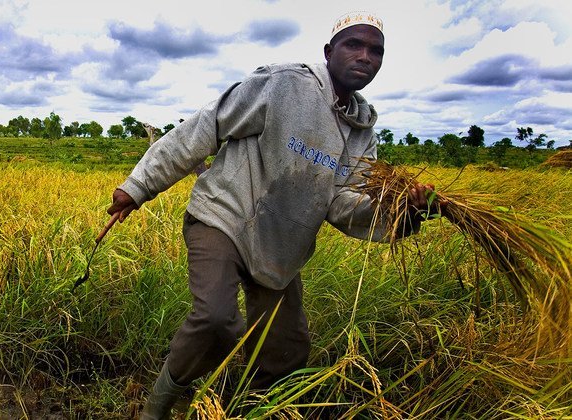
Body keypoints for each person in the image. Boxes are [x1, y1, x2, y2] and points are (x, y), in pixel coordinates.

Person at [105, 12, 445, 419]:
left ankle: (252, 408)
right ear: (329, 51)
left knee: (285, 348)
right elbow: (204, 128)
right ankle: (157, 406)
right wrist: (138, 186)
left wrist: (403, 211)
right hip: (224, 217)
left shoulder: (362, 134)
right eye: (354, 44)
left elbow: (344, 205)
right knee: (215, 317)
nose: (365, 56)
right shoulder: (283, 84)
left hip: (281, 244)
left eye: (376, 51)